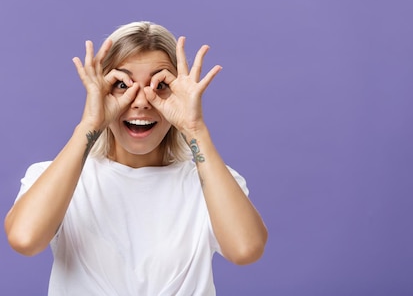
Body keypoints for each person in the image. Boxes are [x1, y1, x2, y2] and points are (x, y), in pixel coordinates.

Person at [4, 21, 268, 295]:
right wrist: (89, 125)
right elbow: (25, 239)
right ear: (101, 90)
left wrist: (195, 130)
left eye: (161, 85)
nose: (141, 101)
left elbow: (245, 250)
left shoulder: (210, 182)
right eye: (121, 84)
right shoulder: (57, 176)